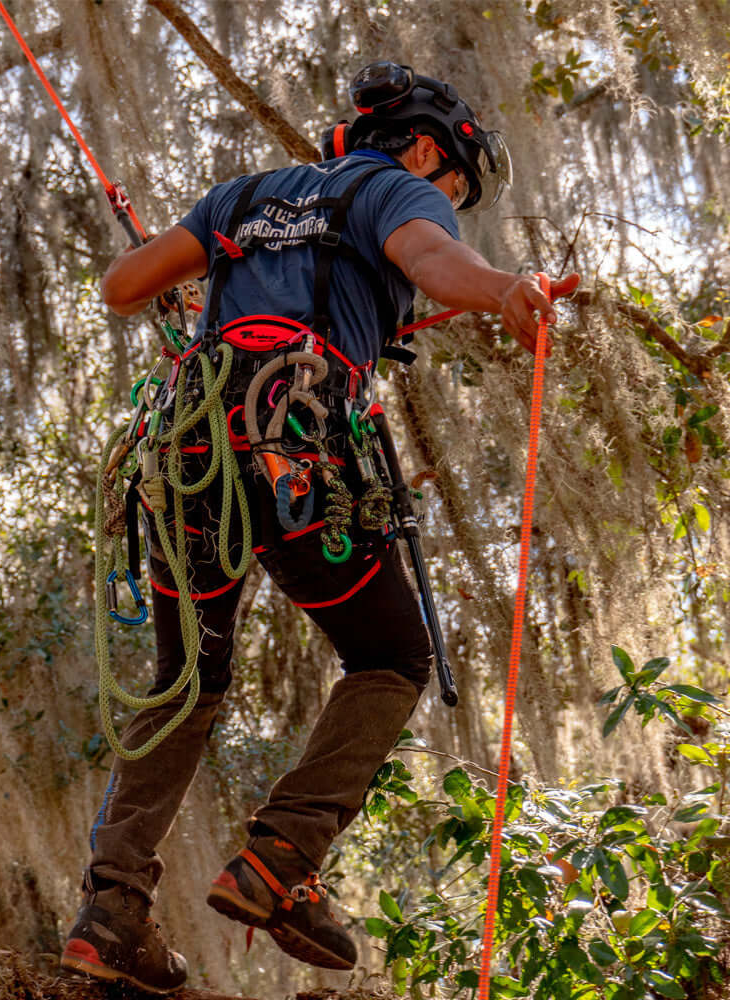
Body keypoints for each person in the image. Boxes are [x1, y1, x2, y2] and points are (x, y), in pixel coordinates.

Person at [62, 61, 580, 994]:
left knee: (188, 676)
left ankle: (110, 910)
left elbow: (123, 283)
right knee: (392, 659)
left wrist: (218, 274)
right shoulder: (395, 189)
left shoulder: (245, 195)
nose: (448, 194)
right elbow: (427, 257)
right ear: (427, 147)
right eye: (455, 179)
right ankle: (277, 861)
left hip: (190, 456)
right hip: (295, 449)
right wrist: (502, 288)